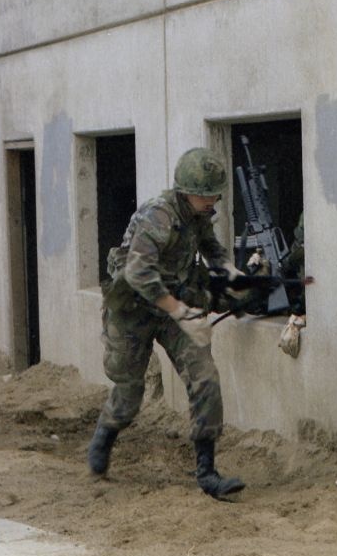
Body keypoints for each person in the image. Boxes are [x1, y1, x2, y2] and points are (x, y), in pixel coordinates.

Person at [85, 147, 250, 498]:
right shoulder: (157, 216)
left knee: (205, 379)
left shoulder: (198, 214)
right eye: (207, 194)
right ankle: (105, 436)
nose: (213, 200)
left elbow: (210, 246)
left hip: (174, 308)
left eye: (215, 193)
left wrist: (227, 268)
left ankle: (207, 472)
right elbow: (139, 272)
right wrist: (179, 311)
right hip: (134, 309)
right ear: (186, 190)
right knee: (129, 393)